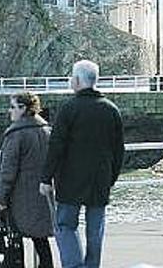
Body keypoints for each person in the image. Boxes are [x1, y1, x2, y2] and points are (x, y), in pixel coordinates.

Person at [40, 60, 124, 268]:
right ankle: (92, 265)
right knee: (95, 229)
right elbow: (119, 150)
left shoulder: (69, 109)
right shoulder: (111, 110)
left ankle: (74, 265)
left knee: (65, 225)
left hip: (70, 179)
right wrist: (111, 177)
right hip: (100, 179)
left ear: (77, 80)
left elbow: (56, 146)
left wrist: (46, 177)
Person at [0, 93, 53, 268]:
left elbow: (7, 172)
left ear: (23, 108)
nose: (10, 111)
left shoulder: (16, 134)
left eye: (13, 107)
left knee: (15, 239)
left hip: (19, 198)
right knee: (41, 240)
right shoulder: (46, 131)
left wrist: (1, 199)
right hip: (42, 196)